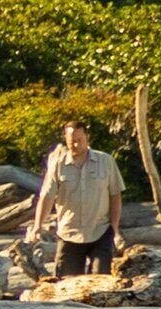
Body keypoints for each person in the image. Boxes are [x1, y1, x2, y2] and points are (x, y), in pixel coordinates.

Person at [27, 118, 126, 277]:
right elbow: (47, 197)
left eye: (80, 140)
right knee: (66, 284)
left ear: (87, 138)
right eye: (72, 141)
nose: (76, 145)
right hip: (69, 233)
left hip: (100, 230)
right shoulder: (58, 164)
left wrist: (115, 228)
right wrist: (37, 226)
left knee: (101, 282)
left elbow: (115, 195)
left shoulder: (105, 161)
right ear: (66, 140)